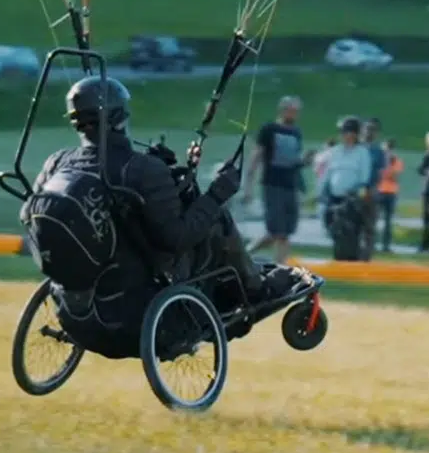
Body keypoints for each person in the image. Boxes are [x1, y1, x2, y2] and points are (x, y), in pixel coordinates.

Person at [20, 76, 302, 356]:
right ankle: (255, 290)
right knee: (217, 218)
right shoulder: (143, 170)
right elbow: (176, 238)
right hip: (139, 317)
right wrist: (217, 194)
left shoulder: (56, 162)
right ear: (120, 116)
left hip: (74, 317)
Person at [243, 95, 315, 264]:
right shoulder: (269, 129)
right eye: (291, 110)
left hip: (291, 186)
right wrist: (248, 187)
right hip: (273, 185)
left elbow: (293, 162)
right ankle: (279, 266)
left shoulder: (296, 133)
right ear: (283, 110)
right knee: (278, 232)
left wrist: (305, 162)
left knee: (283, 232)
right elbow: (256, 157)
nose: (294, 114)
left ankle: (250, 255)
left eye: (296, 111)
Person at [320, 116, 372, 260]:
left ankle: (351, 258)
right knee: (334, 228)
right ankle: (338, 255)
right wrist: (323, 191)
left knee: (351, 230)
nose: (345, 135)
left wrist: (357, 193)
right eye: (343, 132)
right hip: (333, 197)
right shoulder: (335, 151)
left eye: (348, 132)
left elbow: (364, 177)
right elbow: (328, 173)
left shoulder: (362, 152)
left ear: (355, 134)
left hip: (351, 198)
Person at [360, 117, 388, 261]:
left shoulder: (378, 152)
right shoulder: (356, 148)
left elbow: (380, 172)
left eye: (372, 130)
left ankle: (366, 257)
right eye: (367, 129)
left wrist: (373, 188)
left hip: (371, 190)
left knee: (369, 226)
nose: (369, 132)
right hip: (355, 191)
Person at [376, 138, 404, 252]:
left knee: (388, 220)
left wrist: (387, 169)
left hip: (391, 192)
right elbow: (377, 174)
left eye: (390, 148)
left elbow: (394, 176)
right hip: (379, 190)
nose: (388, 151)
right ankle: (371, 243)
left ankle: (386, 245)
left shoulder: (396, 161)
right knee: (374, 219)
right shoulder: (378, 160)